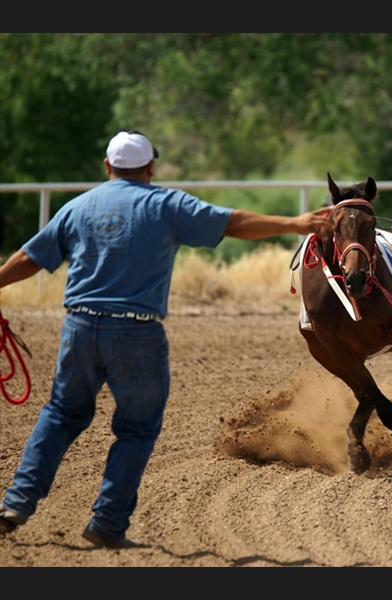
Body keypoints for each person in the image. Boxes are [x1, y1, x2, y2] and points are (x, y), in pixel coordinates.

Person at [0, 131, 332, 548]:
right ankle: (107, 522)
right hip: (136, 331)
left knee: (62, 414)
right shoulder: (165, 205)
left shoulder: (78, 207)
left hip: (79, 328)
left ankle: (17, 502)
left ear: (108, 167)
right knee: (137, 427)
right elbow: (233, 223)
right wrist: (295, 223)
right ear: (150, 168)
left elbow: (30, 257)